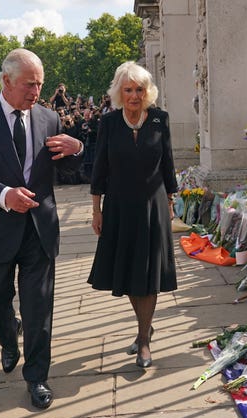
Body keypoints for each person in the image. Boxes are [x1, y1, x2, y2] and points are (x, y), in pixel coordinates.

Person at [0, 48, 83, 410]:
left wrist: (76, 149)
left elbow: (68, 171)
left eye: (40, 84)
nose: (36, 92)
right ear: (6, 81)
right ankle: (8, 334)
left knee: (39, 308)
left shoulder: (49, 117)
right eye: (30, 84)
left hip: (39, 230)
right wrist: (4, 194)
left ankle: (37, 378)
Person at [88, 61, 178, 368]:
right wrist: (96, 208)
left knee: (149, 274)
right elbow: (100, 167)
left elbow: (167, 162)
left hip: (153, 207)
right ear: (119, 92)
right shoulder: (109, 123)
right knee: (127, 273)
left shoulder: (160, 120)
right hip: (119, 207)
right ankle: (145, 325)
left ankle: (143, 340)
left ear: (147, 91)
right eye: (128, 89)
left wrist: (171, 201)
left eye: (139, 89)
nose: (134, 96)